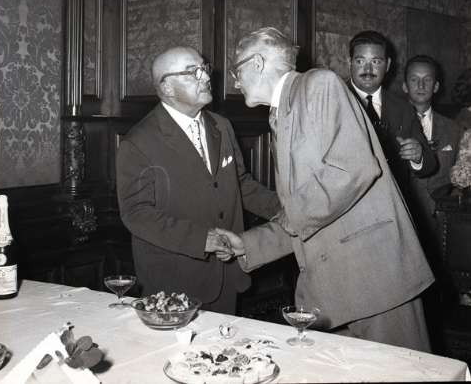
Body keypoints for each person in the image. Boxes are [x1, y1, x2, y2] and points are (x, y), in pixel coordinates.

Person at [214, 27, 434, 351]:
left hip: (376, 279)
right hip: (335, 289)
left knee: (406, 372)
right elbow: (310, 212)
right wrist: (248, 245)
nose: (235, 81)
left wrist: (289, 218)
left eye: (237, 71)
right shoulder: (280, 115)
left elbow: (352, 170)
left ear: (258, 63)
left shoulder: (319, 85)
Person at [116, 47, 280, 314]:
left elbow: (241, 185)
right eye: (193, 72)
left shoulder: (221, 126)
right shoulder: (138, 142)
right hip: (174, 283)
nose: (205, 77)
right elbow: (136, 213)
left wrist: (285, 210)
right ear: (167, 87)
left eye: (204, 68)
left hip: (227, 275)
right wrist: (201, 239)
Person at [347, 31, 437, 200]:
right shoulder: (332, 101)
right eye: (360, 61)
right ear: (349, 62)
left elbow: (430, 164)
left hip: (392, 205)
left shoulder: (403, 108)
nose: (368, 70)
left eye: (376, 61)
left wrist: (418, 156)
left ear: (387, 65)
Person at [403, 55, 462, 263]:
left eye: (427, 79)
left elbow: (459, 177)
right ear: (404, 86)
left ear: (436, 86)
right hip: (403, 222)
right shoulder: (390, 125)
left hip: (443, 226)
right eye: (414, 79)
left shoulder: (454, 129)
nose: (421, 85)